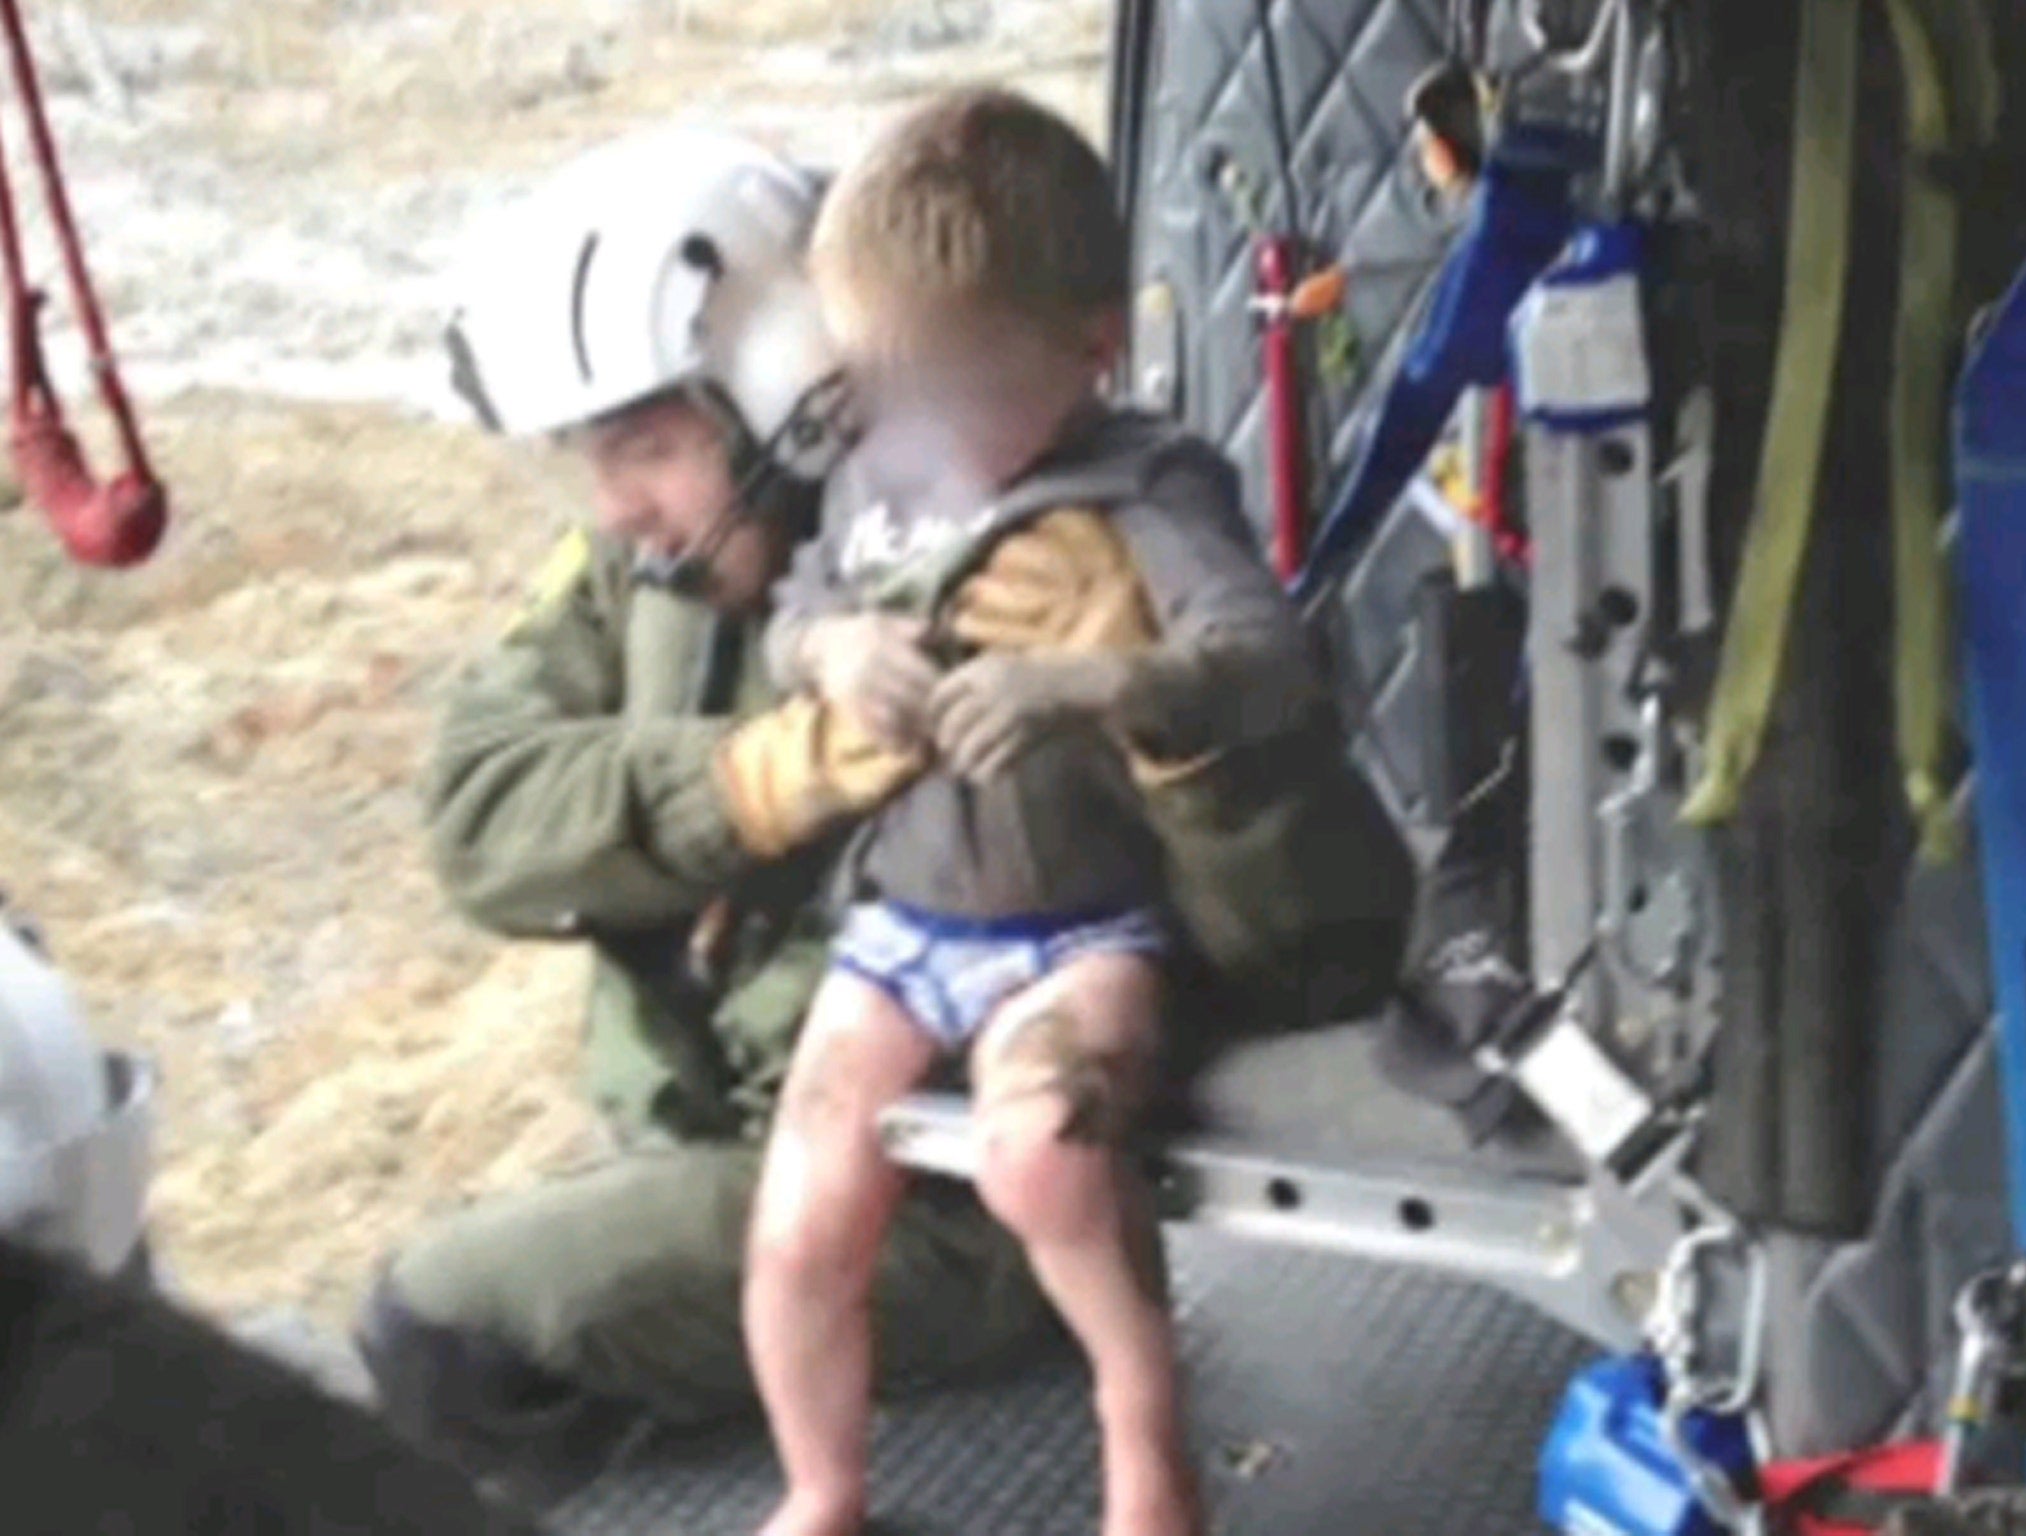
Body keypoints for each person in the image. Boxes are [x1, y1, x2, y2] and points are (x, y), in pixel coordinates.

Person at [355, 122, 1065, 1505]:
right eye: (590, 460)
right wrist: (748, 779)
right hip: (732, 1156)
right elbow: (476, 812)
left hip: (941, 1207)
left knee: (437, 1326)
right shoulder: (650, 564)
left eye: (648, 448)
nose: (619, 508)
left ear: (789, 394)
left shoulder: (989, 568)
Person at [743, 88, 1325, 1536]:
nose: (916, 418)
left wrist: (1077, 682)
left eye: (953, 385)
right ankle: (821, 1486)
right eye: (892, 382)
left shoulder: (1146, 485)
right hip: (903, 922)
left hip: (1083, 928)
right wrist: (830, 652)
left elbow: (1268, 661)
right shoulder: (875, 471)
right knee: (805, 1198)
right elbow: (791, 612)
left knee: (1044, 1159)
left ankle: (1142, 1430)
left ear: (1089, 347)